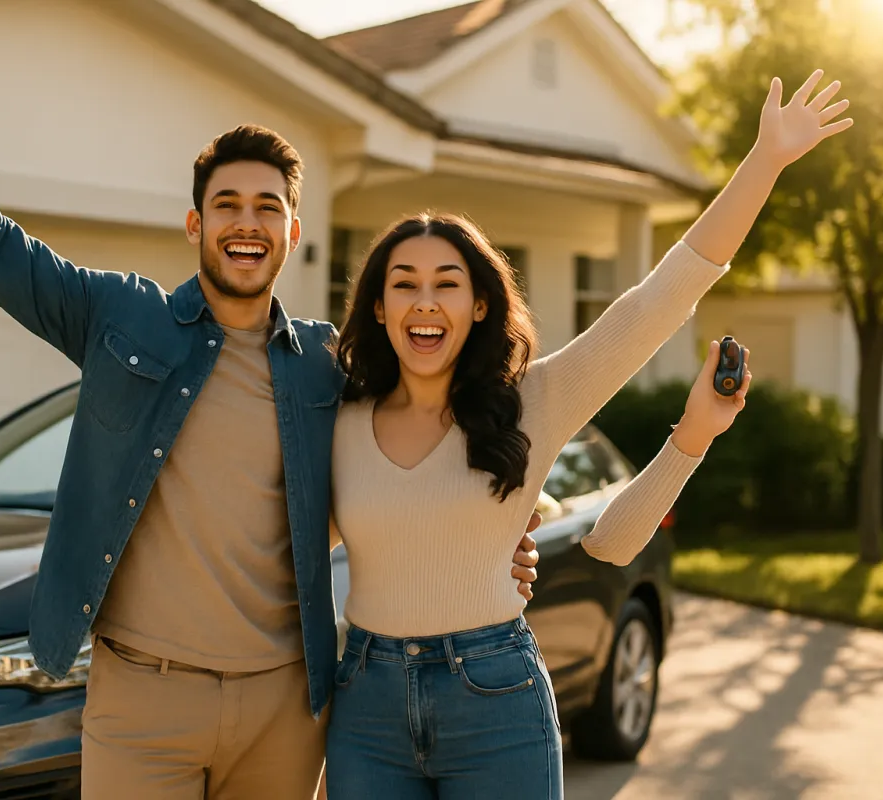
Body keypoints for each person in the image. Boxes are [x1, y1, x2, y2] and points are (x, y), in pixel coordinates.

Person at [0, 17, 543, 800]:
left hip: (284, 705)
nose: (246, 222)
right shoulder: (123, 318)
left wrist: (506, 535)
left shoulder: (332, 365)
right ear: (196, 224)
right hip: (143, 697)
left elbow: (441, 417)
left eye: (267, 207)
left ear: (293, 232)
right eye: (227, 204)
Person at [324, 70, 851, 799]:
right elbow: (274, 548)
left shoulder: (534, 400)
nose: (424, 300)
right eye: (403, 283)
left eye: (446, 282)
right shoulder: (336, 421)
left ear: (479, 306)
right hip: (367, 707)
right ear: (378, 309)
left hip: (496, 702)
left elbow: (660, 298)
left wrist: (765, 160)